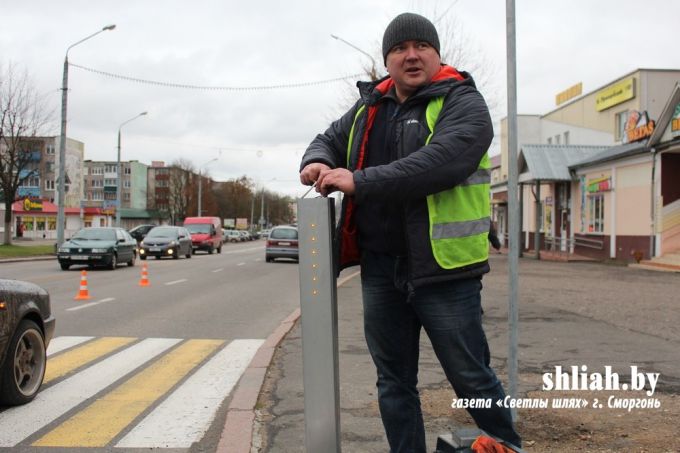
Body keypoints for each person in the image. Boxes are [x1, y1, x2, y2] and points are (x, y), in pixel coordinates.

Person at [299, 12, 521, 452]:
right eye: (400, 48)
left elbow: (437, 164)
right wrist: (318, 159)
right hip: (381, 269)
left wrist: (358, 180)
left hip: (445, 272)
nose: (412, 55)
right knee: (394, 383)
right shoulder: (369, 107)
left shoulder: (463, 103)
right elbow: (328, 137)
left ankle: (507, 446)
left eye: (422, 46)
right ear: (388, 60)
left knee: (471, 376)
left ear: (438, 55)